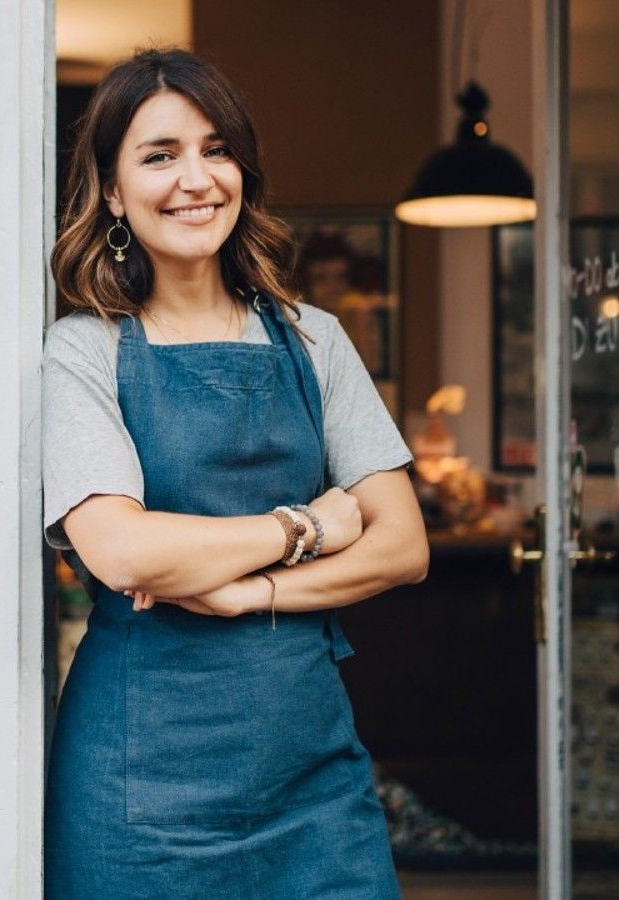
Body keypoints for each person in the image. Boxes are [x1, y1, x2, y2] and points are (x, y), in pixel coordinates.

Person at [42, 48, 429, 899]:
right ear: (111, 189)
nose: (196, 179)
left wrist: (254, 593)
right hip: (139, 790)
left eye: (216, 150)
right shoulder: (84, 349)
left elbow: (403, 544)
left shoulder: (315, 338)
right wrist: (309, 526)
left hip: (313, 783)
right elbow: (123, 551)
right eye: (159, 155)